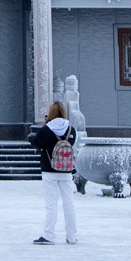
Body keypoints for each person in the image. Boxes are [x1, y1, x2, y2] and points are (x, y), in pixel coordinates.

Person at [31, 102, 78, 245]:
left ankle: (49, 235)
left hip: (49, 170)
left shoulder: (46, 130)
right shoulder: (71, 130)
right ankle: (72, 236)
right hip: (66, 171)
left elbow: (36, 144)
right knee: (69, 203)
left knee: (51, 204)